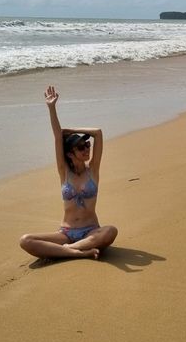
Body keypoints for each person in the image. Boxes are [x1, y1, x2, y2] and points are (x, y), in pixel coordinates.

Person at [19, 86, 118, 260]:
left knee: (111, 231)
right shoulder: (63, 172)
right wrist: (51, 108)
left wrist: (71, 131)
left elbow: (97, 133)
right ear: (70, 154)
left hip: (92, 232)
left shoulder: (93, 170)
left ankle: (69, 250)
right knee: (25, 240)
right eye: (81, 147)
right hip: (66, 232)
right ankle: (80, 252)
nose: (87, 149)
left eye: (87, 145)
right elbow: (58, 137)